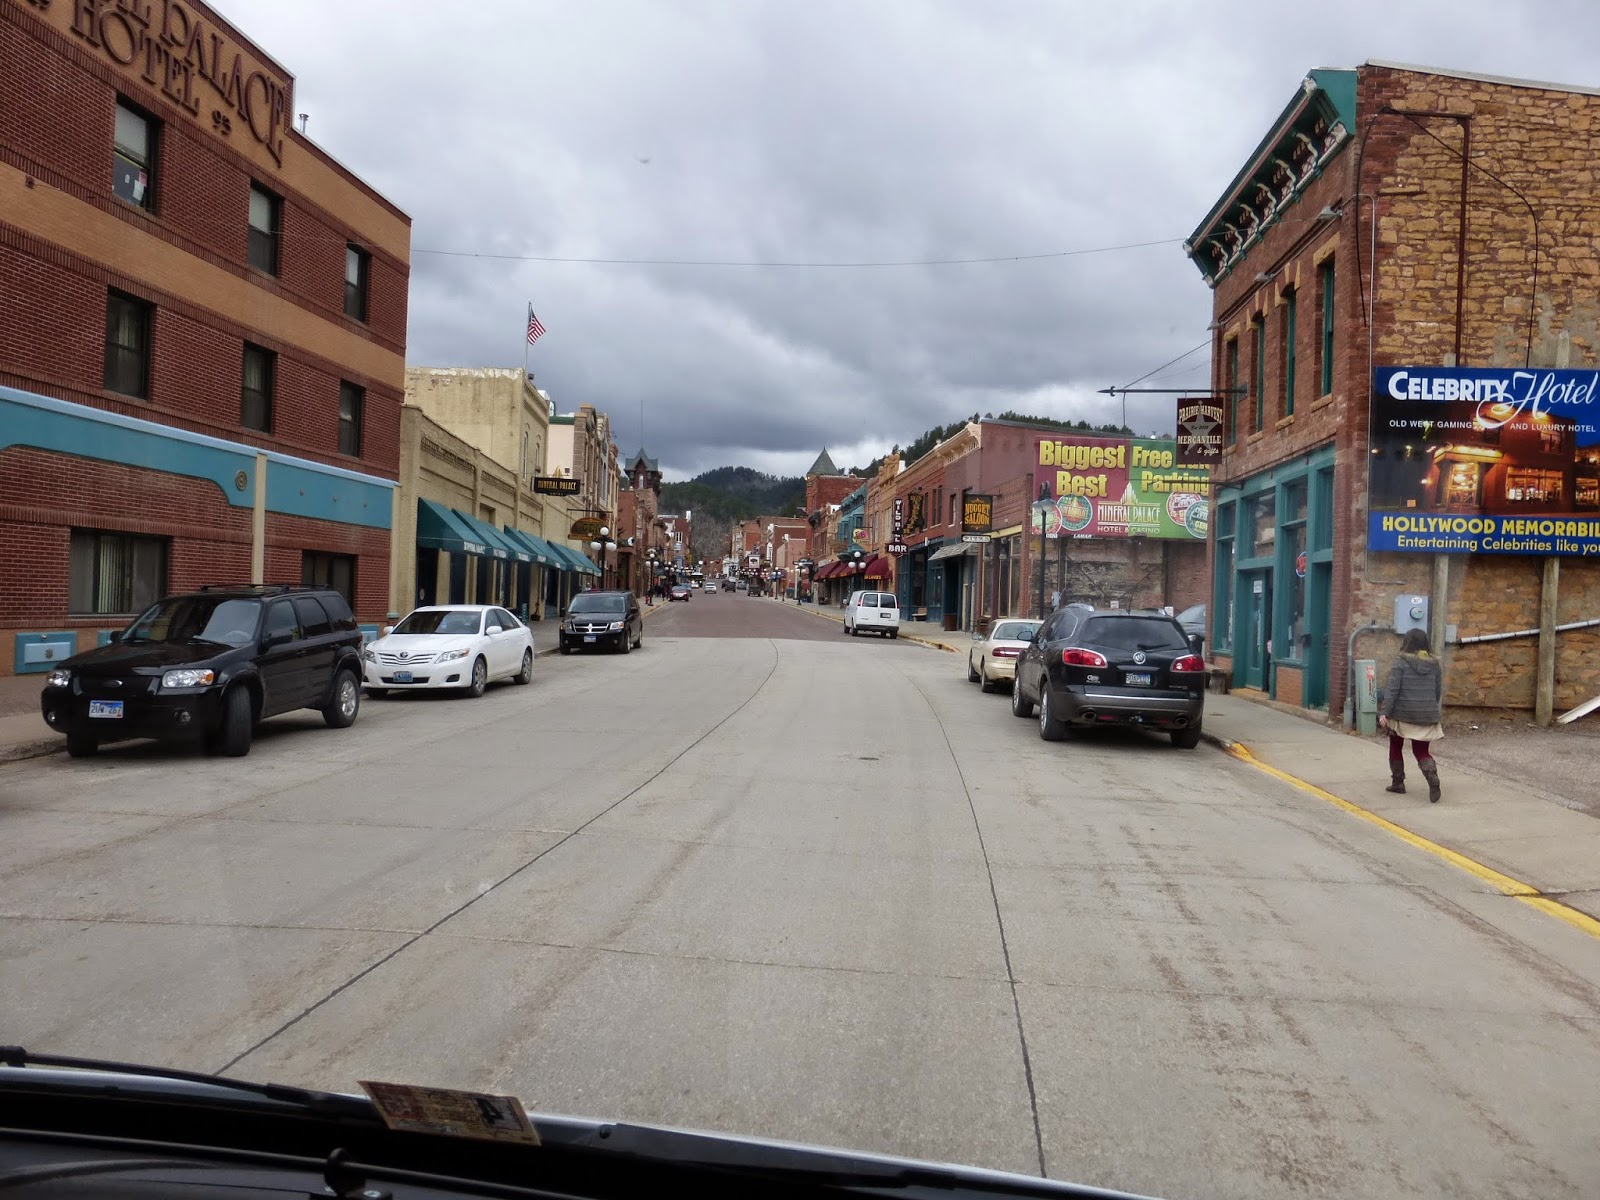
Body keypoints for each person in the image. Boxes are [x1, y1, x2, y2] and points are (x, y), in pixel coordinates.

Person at [1378, 628, 1444, 802]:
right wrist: (1428, 707)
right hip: (1427, 714)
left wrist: (1384, 712)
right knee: (1421, 751)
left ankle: (1398, 783)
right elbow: (1437, 692)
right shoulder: (1434, 664)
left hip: (1402, 714)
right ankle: (1432, 777)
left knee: (1396, 746)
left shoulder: (1400, 662)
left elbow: (1392, 690)